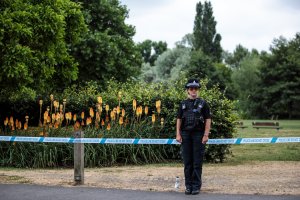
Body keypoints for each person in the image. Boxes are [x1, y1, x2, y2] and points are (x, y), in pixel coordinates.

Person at [176, 78, 211, 195]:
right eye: (191, 89)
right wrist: (178, 133)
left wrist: (206, 134)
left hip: (198, 135)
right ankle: (188, 186)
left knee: (197, 162)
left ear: (198, 90)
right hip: (185, 134)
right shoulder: (183, 104)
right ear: (187, 91)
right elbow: (179, 119)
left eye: (195, 89)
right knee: (187, 162)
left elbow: (208, 119)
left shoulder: (203, 103)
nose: (193, 91)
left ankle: (196, 186)